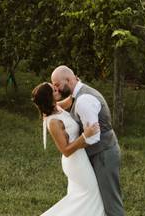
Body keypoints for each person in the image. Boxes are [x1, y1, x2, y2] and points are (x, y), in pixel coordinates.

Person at [51, 65, 124, 216]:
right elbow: (60, 106)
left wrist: (77, 143)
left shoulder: (84, 99)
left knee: (110, 203)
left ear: (69, 80)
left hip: (103, 154)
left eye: (57, 85)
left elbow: (94, 137)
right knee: (93, 202)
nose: (56, 89)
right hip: (92, 155)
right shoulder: (76, 95)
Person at [31, 82, 105, 216]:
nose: (58, 89)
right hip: (74, 161)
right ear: (49, 97)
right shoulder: (53, 122)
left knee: (81, 198)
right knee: (92, 194)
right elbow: (65, 151)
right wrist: (85, 136)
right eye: (54, 89)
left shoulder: (57, 107)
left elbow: (72, 98)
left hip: (80, 157)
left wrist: (74, 82)